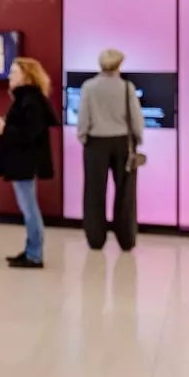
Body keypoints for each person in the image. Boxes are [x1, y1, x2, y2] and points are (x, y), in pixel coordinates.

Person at [0, 57, 59, 269]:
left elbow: (29, 133)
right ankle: (31, 250)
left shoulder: (30, 101)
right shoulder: (27, 99)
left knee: (29, 208)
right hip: (24, 161)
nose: (9, 76)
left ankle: (34, 254)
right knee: (28, 207)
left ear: (27, 76)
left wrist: (6, 130)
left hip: (25, 162)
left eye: (14, 72)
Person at [77, 47, 144, 251]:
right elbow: (136, 118)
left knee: (94, 191)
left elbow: (83, 118)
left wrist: (83, 137)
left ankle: (95, 238)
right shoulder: (126, 87)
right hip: (122, 142)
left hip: (96, 143)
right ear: (119, 65)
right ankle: (126, 238)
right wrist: (138, 139)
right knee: (125, 191)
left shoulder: (88, 87)